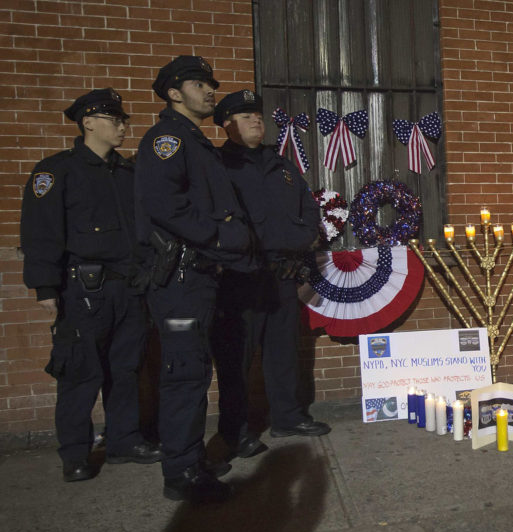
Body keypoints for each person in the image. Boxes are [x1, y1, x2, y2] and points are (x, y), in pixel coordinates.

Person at [19, 88, 163, 483]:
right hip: (84, 292)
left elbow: (146, 231)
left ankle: (124, 441)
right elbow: (41, 233)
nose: (121, 127)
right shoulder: (57, 171)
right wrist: (45, 288)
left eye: (122, 120)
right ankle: (75, 453)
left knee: (126, 369)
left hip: (130, 289)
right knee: (80, 373)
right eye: (114, 120)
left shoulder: (129, 174)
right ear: (88, 122)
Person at [135, 56, 255, 503]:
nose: (210, 91)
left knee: (194, 370)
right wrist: (222, 236)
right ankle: (182, 473)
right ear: (173, 93)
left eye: (210, 84)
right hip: (180, 279)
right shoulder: (167, 139)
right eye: (199, 84)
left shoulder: (194, 141)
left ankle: (190, 459)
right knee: (184, 373)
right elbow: (165, 205)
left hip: (198, 277)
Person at [211, 89, 331, 452]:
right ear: (227, 124)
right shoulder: (218, 165)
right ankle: (236, 430)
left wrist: (303, 237)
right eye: (247, 117)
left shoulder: (280, 164)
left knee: (283, 350)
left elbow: (308, 209)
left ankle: (287, 417)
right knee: (238, 356)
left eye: (259, 116)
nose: (257, 121)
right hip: (240, 276)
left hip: (281, 274)